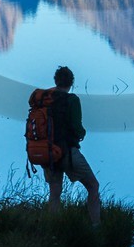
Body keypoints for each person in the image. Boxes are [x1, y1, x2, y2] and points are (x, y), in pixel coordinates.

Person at [40, 64, 101, 225]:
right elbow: (76, 127)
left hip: (48, 153)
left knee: (54, 193)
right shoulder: (72, 100)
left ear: (56, 80)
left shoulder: (45, 99)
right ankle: (96, 227)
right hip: (68, 152)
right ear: (71, 82)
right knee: (93, 186)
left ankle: (53, 229)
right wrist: (82, 134)